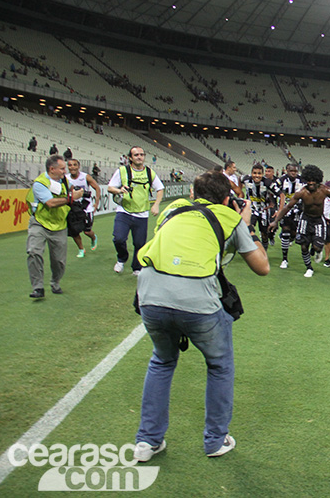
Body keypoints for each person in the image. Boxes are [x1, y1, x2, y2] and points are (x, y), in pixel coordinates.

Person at [133, 170, 269, 461]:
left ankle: (147, 441)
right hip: (197, 301)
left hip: (150, 296)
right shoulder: (230, 218)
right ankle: (215, 441)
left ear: (192, 194)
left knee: (162, 360)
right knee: (219, 365)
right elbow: (262, 267)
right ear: (227, 199)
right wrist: (248, 227)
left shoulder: (172, 209)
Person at [269, 165, 330, 277]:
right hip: (305, 219)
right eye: (308, 180)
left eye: (313, 180)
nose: (311, 183)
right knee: (304, 246)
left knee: (317, 247)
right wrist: (276, 221)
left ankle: (317, 250)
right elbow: (288, 207)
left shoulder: (324, 190)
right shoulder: (301, 192)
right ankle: (309, 268)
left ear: (318, 180)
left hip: (319, 220)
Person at [25, 155, 85, 298]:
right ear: (52, 169)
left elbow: (70, 192)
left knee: (59, 261)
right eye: (62, 168)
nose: (66, 171)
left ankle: (55, 281)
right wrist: (71, 197)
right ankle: (38, 287)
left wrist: (74, 194)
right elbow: (50, 203)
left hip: (59, 225)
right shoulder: (40, 183)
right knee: (33, 251)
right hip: (39, 222)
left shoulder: (65, 181)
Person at [107, 146, 164, 275]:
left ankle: (137, 268)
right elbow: (110, 188)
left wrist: (156, 204)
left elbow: (160, 189)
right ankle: (121, 259)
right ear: (130, 158)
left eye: (142, 155)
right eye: (136, 155)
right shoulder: (122, 171)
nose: (139, 157)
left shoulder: (149, 172)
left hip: (142, 213)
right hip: (124, 211)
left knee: (139, 244)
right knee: (119, 238)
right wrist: (119, 190)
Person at [66, 159, 101, 258]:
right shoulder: (65, 178)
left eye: (74, 165)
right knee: (74, 231)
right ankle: (81, 249)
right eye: (70, 165)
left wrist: (96, 203)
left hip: (86, 207)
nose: (72, 167)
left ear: (78, 166)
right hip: (73, 207)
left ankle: (93, 237)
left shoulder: (85, 177)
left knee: (87, 231)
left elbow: (97, 188)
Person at [274, 163, 304, 268]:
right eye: (291, 171)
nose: (293, 173)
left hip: (297, 210)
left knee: (294, 234)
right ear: (287, 171)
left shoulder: (302, 180)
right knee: (285, 231)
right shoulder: (281, 180)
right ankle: (284, 259)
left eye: (295, 171)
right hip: (285, 210)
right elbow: (274, 189)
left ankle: (291, 238)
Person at [242, 164, 274, 249]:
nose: (257, 175)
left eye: (259, 173)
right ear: (251, 173)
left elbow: (281, 194)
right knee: (249, 228)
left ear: (262, 174)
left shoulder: (267, 182)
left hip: (264, 211)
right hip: (251, 209)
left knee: (264, 234)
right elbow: (239, 180)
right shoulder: (246, 179)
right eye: (254, 173)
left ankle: (264, 250)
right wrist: (240, 193)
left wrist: (273, 204)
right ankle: (250, 248)